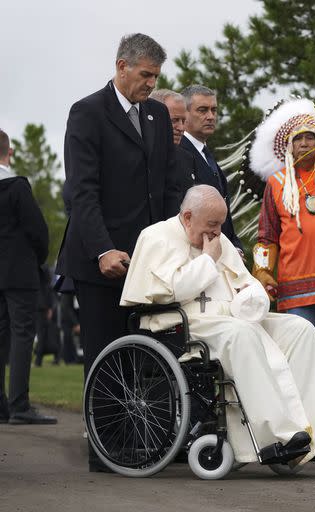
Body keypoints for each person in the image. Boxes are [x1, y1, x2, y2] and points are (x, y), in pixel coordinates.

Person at [120, 185, 315, 465]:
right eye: (212, 224)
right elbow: (174, 290)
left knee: (299, 329)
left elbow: (246, 282)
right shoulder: (156, 237)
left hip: (231, 319)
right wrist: (207, 260)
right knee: (241, 334)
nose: (216, 231)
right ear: (188, 216)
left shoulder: (218, 239)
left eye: (220, 224)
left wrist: (252, 297)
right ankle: (275, 438)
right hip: (182, 324)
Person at [57, 33, 178, 470]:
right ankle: (107, 451)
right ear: (121, 66)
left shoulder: (158, 117)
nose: (151, 84)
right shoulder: (87, 113)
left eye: (156, 77)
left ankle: (144, 441)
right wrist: (103, 249)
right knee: (106, 354)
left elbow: (163, 189)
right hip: (100, 263)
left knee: (145, 354)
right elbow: (82, 193)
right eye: (145, 75)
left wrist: (174, 246)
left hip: (148, 262)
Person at [249, 99, 315, 423]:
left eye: (310, 136)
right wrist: (262, 271)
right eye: (298, 138)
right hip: (295, 284)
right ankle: (303, 413)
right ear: (289, 145)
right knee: (298, 354)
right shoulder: (277, 183)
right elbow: (266, 235)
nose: (305, 143)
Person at [0, 128, 56, 424]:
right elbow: (38, 231)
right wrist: (39, 259)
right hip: (19, 271)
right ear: (9, 153)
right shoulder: (17, 187)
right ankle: (19, 406)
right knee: (23, 336)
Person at [179, 85, 242, 253]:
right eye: (202, 110)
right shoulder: (178, 153)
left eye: (214, 110)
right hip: (194, 252)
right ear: (185, 113)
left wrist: (235, 244)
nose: (210, 116)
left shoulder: (205, 153)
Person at [149, 88, 194, 212]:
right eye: (174, 120)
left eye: (183, 121)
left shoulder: (186, 158)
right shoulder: (136, 155)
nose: (181, 128)